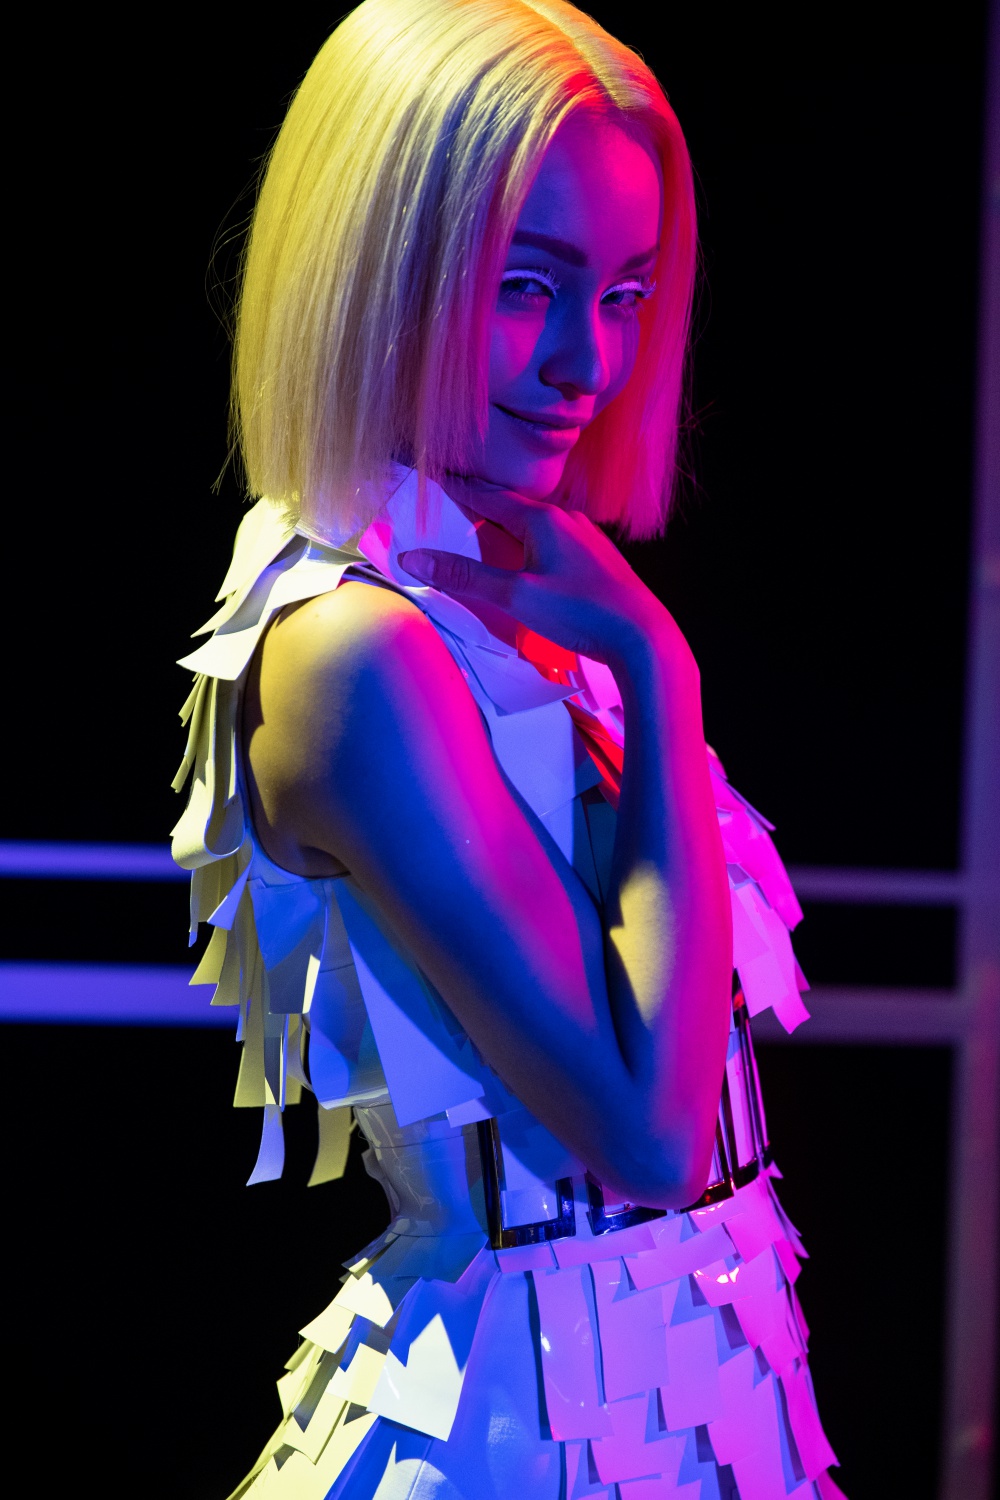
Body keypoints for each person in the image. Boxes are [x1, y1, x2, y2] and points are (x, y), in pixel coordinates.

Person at [171, 1, 845, 1495]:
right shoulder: (353, 648)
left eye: (628, 292)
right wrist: (660, 671)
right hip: (509, 1428)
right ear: (377, 271)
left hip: (708, 1392)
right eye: (526, 286)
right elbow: (652, 1141)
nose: (586, 361)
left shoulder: (516, 582)